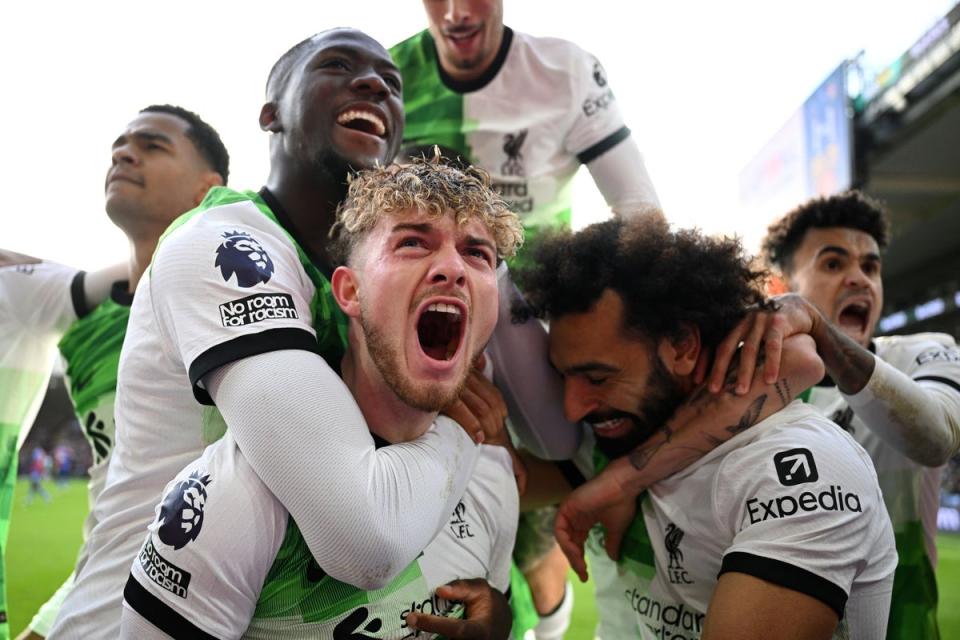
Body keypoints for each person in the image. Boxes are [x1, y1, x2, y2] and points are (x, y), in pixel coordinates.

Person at [49, 29, 501, 639]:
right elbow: (361, 534)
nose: (374, 85)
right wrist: (457, 428)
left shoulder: (384, 281)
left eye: (392, 85)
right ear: (271, 114)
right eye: (337, 66)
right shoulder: (222, 242)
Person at [120, 157, 522, 639]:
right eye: (413, 243)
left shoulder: (492, 478)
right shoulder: (235, 501)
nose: (452, 269)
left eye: (478, 255)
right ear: (349, 291)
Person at [392, 3, 660, 632]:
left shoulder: (566, 71)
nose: (457, 12)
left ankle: (551, 624)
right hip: (424, 334)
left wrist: (638, 325)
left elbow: (642, 211)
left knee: (540, 523)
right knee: (435, 515)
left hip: (534, 339)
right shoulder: (388, 76)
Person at [516, 215, 897, 639]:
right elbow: (496, 483)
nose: (572, 409)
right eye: (565, 377)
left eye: (599, 378)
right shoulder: (617, 439)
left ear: (682, 347)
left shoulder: (799, 471)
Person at [11, 105, 230, 640]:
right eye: (119, 144)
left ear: (208, 189)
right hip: (98, 581)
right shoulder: (84, 330)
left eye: (153, 145)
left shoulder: (242, 303)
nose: (124, 153)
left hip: (212, 595)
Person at [760, 191, 960, 639]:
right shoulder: (754, 387)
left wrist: (817, 326)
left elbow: (938, 438)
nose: (859, 279)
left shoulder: (924, 354)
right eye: (833, 264)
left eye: (870, 267)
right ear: (780, 285)